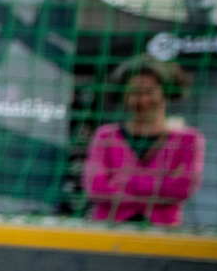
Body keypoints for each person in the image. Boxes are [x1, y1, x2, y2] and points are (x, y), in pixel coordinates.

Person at [84, 56, 205, 225]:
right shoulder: (105, 136)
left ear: (165, 92)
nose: (142, 100)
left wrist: (121, 181)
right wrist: (160, 185)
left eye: (149, 91)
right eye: (134, 92)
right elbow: (96, 189)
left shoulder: (188, 140)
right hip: (108, 229)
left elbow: (182, 190)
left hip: (163, 232)